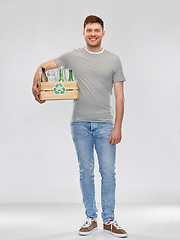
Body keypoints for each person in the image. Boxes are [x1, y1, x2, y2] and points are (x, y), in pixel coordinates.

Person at [32, 15, 128, 238]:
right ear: (83, 33)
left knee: (108, 173)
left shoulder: (114, 60)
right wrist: (34, 84)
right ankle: (91, 218)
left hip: (105, 125)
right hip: (79, 125)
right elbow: (42, 67)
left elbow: (120, 97)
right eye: (89, 30)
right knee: (86, 172)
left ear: (103, 33)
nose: (93, 34)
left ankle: (110, 220)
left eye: (97, 30)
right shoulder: (72, 56)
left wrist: (118, 127)